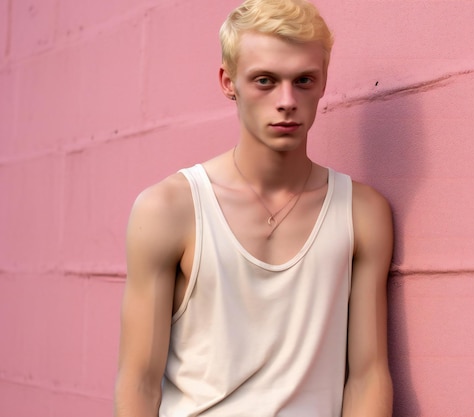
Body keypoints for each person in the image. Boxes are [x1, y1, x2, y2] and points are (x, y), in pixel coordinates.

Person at [114, 0, 393, 415]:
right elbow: (138, 381)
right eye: (265, 80)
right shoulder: (170, 208)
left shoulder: (362, 213)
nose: (286, 100)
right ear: (229, 82)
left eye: (303, 80)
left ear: (322, 82)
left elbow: (368, 375)